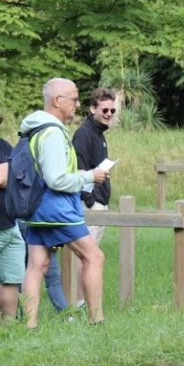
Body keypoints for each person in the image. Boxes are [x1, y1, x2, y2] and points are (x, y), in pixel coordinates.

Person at [19, 78, 109, 328]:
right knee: (94, 257)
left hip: (36, 208)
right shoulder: (52, 133)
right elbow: (56, 179)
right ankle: (96, 321)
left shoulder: (35, 128)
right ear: (57, 101)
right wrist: (90, 176)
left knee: (37, 265)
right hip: (56, 209)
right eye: (74, 99)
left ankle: (29, 325)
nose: (78, 104)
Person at [72, 87, 117, 300]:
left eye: (112, 111)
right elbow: (79, 169)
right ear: (92, 109)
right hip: (90, 204)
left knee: (91, 255)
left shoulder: (98, 133)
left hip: (99, 201)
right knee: (89, 256)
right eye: (105, 110)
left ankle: (83, 301)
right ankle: (81, 302)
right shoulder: (84, 134)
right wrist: (90, 201)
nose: (109, 114)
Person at [0, 133, 26, 322]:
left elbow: (21, 174)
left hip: (10, 224)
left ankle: (9, 328)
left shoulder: (4, 146)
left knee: (12, 278)